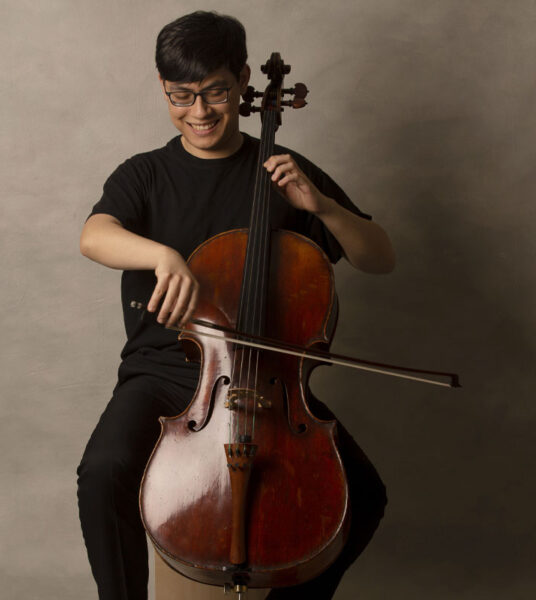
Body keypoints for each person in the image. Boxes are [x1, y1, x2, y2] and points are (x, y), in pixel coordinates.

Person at [77, 10, 394, 600]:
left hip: (270, 382)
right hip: (161, 376)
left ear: (244, 81)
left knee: (365, 497)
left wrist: (323, 207)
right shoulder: (146, 174)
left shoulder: (283, 174)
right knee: (102, 472)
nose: (198, 111)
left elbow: (379, 257)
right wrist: (163, 255)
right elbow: (94, 235)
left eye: (216, 92)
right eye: (181, 95)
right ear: (163, 88)